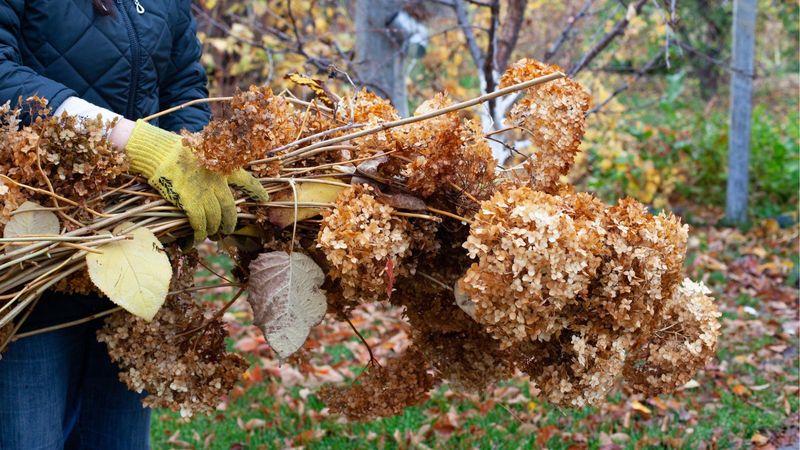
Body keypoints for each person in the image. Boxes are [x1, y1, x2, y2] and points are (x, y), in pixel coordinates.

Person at [0, 1, 267, 448]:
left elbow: (183, 87)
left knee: (118, 438)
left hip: (133, 259)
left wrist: (195, 159)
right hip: (32, 261)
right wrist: (134, 142)